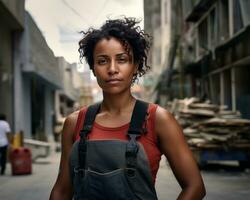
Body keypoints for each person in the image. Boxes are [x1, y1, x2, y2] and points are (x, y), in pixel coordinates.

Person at [50, 17, 206, 200]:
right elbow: (62, 191)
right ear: (93, 68)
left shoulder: (158, 120)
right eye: (102, 61)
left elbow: (194, 187)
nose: (112, 69)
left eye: (122, 59)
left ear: (136, 65)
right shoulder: (75, 123)